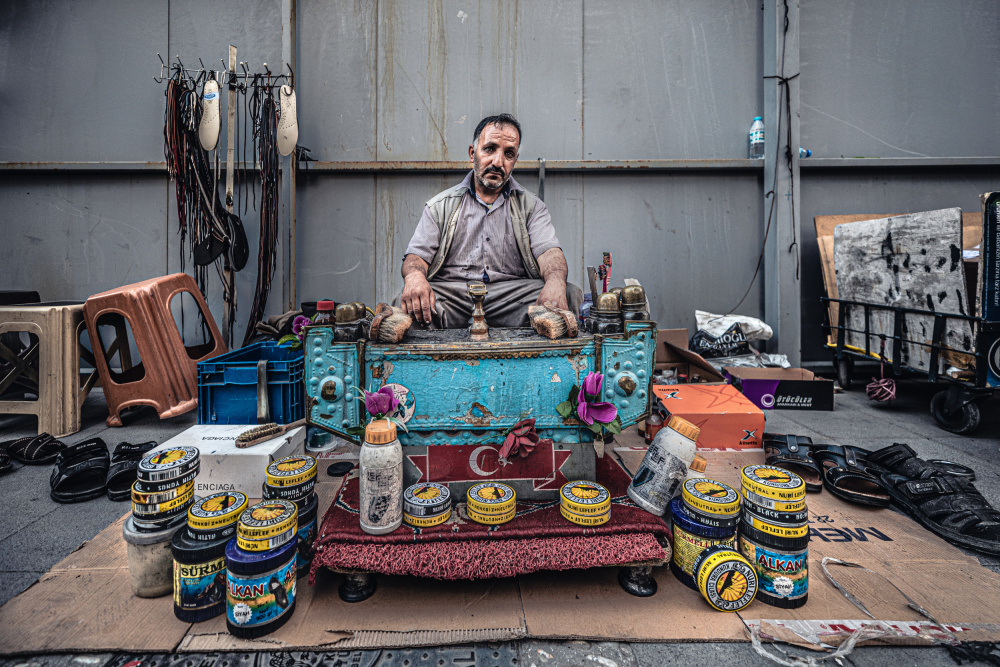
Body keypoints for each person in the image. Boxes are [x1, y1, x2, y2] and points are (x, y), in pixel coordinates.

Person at [397, 113, 582, 329]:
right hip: (454, 297)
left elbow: (549, 253)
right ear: (472, 153)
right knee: (404, 302)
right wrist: (415, 277)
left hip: (510, 298)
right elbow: (416, 257)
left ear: (515, 160)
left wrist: (556, 281)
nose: (498, 162)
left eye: (508, 154)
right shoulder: (440, 206)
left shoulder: (532, 207)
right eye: (489, 149)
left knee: (569, 293)